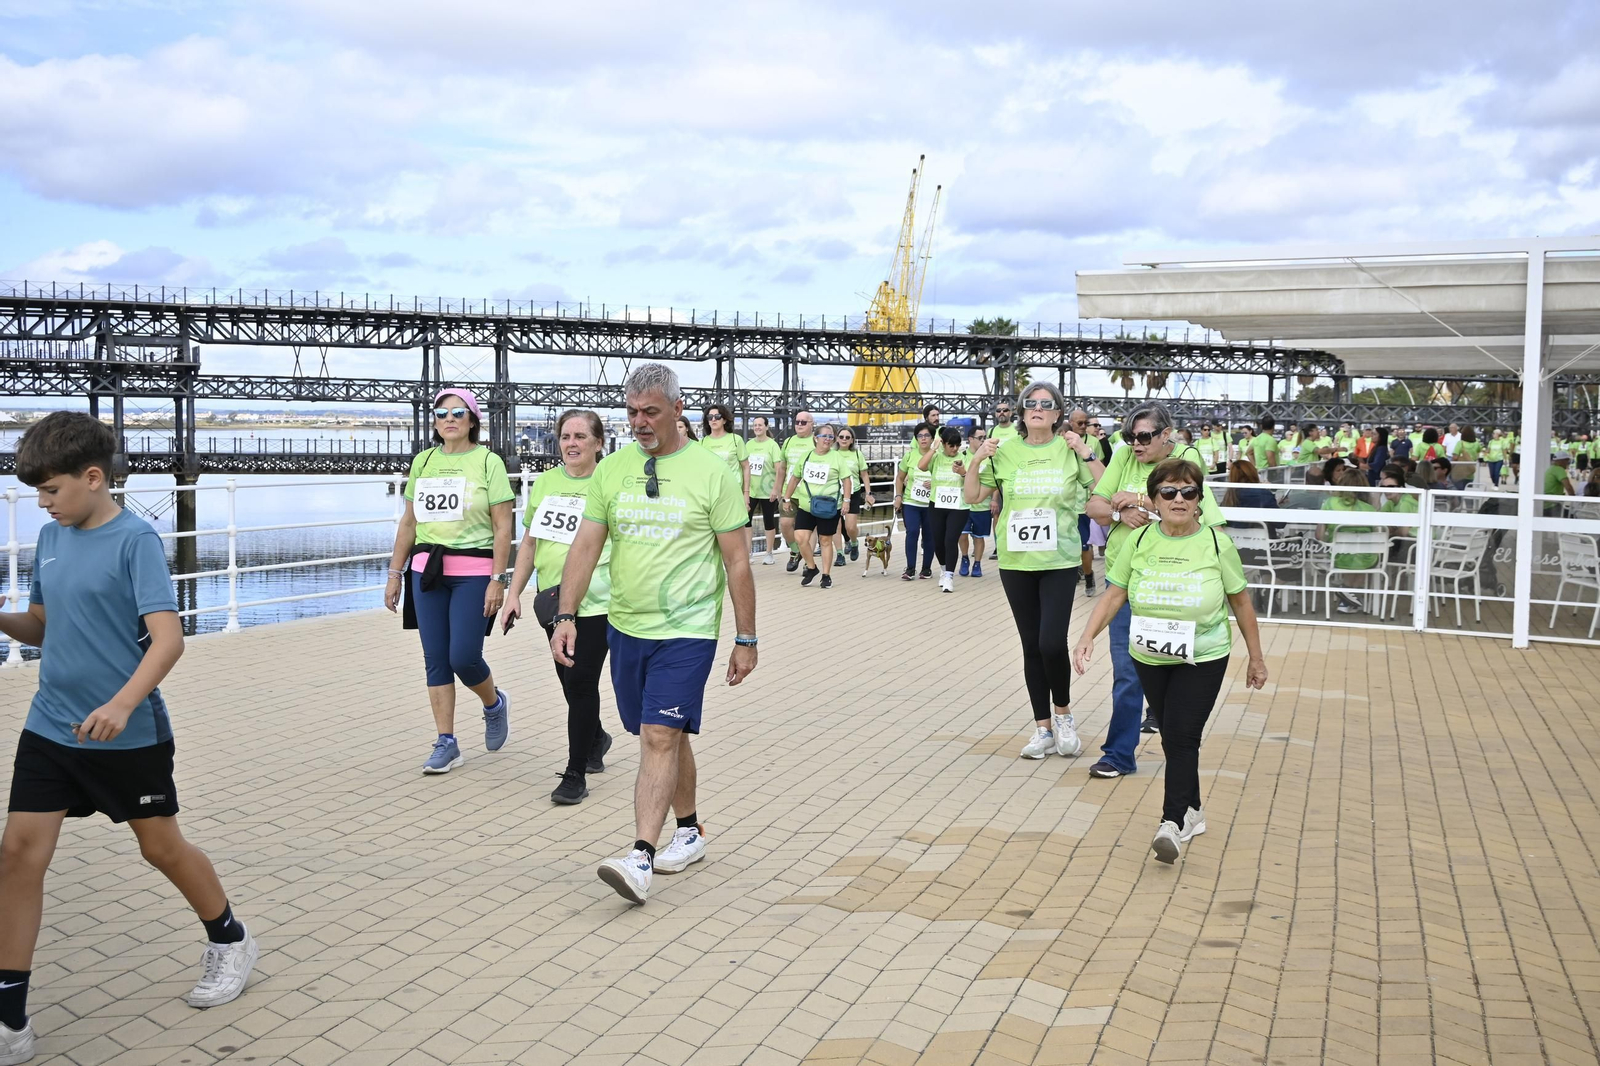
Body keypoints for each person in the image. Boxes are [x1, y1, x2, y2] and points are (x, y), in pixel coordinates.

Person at [0, 414, 259, 1065]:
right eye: (36, 492)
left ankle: (230, 938)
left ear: (93, 478)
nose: (42, 502)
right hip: (51, 726)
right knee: (17, 855)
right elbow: (41, 626)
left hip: (126, 734)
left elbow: (168, 637)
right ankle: (10, 1021)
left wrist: (121, 703)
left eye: (52, 489)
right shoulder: (51, 538)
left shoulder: (134, 540)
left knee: (161, 848)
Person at [551, 363, 757, 905]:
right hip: (626, 625)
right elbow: (587, 545)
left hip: (688, 628)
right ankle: (688, 831)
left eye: (651, 412)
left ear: (677, 410)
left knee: (657, 737)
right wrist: (565, 615)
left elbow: (737, 561)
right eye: (632, 412)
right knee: (665, 732)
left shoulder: (711, 472)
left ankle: (639, 856)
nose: (640, 422)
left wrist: (746, 637)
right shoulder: (613, 469)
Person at [1073, 456, 1267, 863]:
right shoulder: (1140, 541)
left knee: (1180, 734)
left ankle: (1172, 822)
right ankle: (1193, 810)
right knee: (1175, 738)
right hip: (1150, 655)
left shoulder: (1217, 543)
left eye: (1188, 492)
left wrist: (1256, 657)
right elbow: (1115, 594)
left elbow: (1241, 601)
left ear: (1199, 500)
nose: (1178, 499)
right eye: (1168, 492)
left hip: (1204, 655)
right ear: (1154, 499)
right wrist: (1087, 636)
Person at [964, 380, 1103, 759]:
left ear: (1057, 414)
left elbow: (1106, 489)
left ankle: (1063, 715)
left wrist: (1086, 450)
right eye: (1031, 403)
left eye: (1046, 403)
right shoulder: (1004, 451)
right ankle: (1042, 728)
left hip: (1059, 559)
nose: (1037, 408)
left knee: (1050, 642)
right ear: (1023, 414)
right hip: (1015, 560)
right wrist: (977, 459)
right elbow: (973, 496)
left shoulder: (1069, 449)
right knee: (1030, 645)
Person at [1086, 402, 1223, 774]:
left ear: (1167, 435)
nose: (1136, 444)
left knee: (1175, 673)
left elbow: (1193, 511)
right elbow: (1094, 504)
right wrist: (1120, 512)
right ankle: (1118, 754)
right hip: (1125, 583)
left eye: (1144, 436)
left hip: (1172, 588)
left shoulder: (1187, 458)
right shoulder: (1124, 459)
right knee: (1127, 673)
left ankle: (1178, 749)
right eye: (1130, 437)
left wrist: (1141, 499)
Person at [385, 388, 515, 774]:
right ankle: (447, 742)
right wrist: (395, 573)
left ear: (473, 420)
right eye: (441, 414)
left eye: (458, 412)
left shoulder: (488, 462)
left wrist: (498, 579)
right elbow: (409, 523)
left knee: (464, 657)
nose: (449, 419)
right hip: (427, 571)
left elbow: (502, 524)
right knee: (435, 659)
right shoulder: (423, 462)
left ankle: (493, 703)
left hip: (474, 571)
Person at [503, 409, 614, 805]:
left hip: (599, 598)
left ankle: (575, 773)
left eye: (581, 436)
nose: (571, 444)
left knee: (581, 681)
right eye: (565, 436)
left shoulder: (611, 481)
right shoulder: (548, 482)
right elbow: (530, 543)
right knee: (570, 683)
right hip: (551, 599)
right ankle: (596, 736)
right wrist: (513, 591)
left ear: (598, 443)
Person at [782, 422, 854, 588]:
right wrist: (786, 497)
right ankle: (812, 567)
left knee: (825, 540)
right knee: (800, 538)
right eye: (824, 436)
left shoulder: (836, 457)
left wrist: (847, 500)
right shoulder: (806, 456)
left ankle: (826, 575)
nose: (828, 440)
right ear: (816, 438)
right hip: (806, 505)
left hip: (829, 506)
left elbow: (846, 480)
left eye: (831, 437)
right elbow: (795, 478)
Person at [1319, 468, 1381, 614]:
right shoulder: (1369, 509)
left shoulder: (1329, 503)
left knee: (1351, 556)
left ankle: (1346, 598)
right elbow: (1376, 534)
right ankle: (1349, 598)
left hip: (1338, 555)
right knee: (1363, 556)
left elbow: (1319, 535)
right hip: (1366, 557)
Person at [918, 426, 970, 593]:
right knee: (938, 541)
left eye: (957, 445)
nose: (955, 449)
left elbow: (973, 481)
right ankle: (943, 567)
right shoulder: (937, 457)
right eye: (951, 445)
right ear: (944, 444)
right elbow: (921, 466)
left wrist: (963, 473)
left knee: (950, 539)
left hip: (958, 506)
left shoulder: (965, 458)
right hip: (937, 504)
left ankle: (949, 575)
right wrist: (933, 448)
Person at [699, 404, 750, 555]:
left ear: (725, 420)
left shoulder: (736, 440)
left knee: (732, 533)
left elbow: (746, 467)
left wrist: (746, 493)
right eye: (710, 417)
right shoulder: (703, 442)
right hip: (710, 493)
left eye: (717, 416)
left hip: (732, 493)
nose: (713, 419)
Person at [893, 422, 936, 580]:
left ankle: (926, 569)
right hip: (911, 501)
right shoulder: (910, 455)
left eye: (927, 435)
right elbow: (900, 478)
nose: (923, 438)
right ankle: (910, 568)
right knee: (912, 532)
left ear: (932, 438)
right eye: (920, 436)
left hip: (930, 503)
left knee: (929, 535)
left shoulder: (937, 456)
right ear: (916, 438)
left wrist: (934, 483)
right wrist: (898, 496)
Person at [775, 410, 816, 572]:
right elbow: (782, 468)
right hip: (789, 492)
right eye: (797, 422)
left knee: (809, 530)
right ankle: (795, 550)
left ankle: (808, 562)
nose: (799, 425)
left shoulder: (815, 441)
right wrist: (778, 489)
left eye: (803, 422)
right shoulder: (788, 441)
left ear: (812, 424)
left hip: (810, 493)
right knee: (785, 525)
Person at [1067, 408, 1100, 594]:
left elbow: (1099, 470)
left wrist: (1095, 497)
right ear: (1070, 422)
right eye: (1079, 423)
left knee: (1084, 545)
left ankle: (1088, 575)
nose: (1083, 426)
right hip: (1064, 503)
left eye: (1086, 423)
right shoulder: (1061, 441)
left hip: (1083, 504)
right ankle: (1072, 574)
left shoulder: (1094, 442)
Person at [744, 416, 784, 563]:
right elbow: (744, 467)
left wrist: (776, 489)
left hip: (768, 490)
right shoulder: (748, 444)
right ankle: (748, 553)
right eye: (755, 425)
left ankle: (769, 553)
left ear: (767, 427)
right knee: (746, 521)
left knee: (768, 521)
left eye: (760, 425)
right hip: (751, 489)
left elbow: (779, 468)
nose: (757, 427)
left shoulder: (772, 445)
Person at [834, 426, 872, 565]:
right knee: (835, 526)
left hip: (853, 491)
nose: (844, 439)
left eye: (847, 437)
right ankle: (839, 554)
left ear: (852, 440)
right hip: (834, 492)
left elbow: (864, 474)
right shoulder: (832, 454)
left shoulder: (857, 454)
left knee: (850, 527)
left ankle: (854, 543)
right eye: (841, 437)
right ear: (837, 439)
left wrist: (868, 493)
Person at [958, 425, 990, 577]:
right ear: (970, 439)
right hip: (963, 504)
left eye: (985, 438)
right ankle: (964, 558)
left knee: (979, 536)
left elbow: (994, 481)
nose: (983, 441)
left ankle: (977, 563)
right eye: (980, 438)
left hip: (982, 505)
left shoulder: (989, 458)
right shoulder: (962, 456)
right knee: (962, 534)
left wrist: (995, 500)